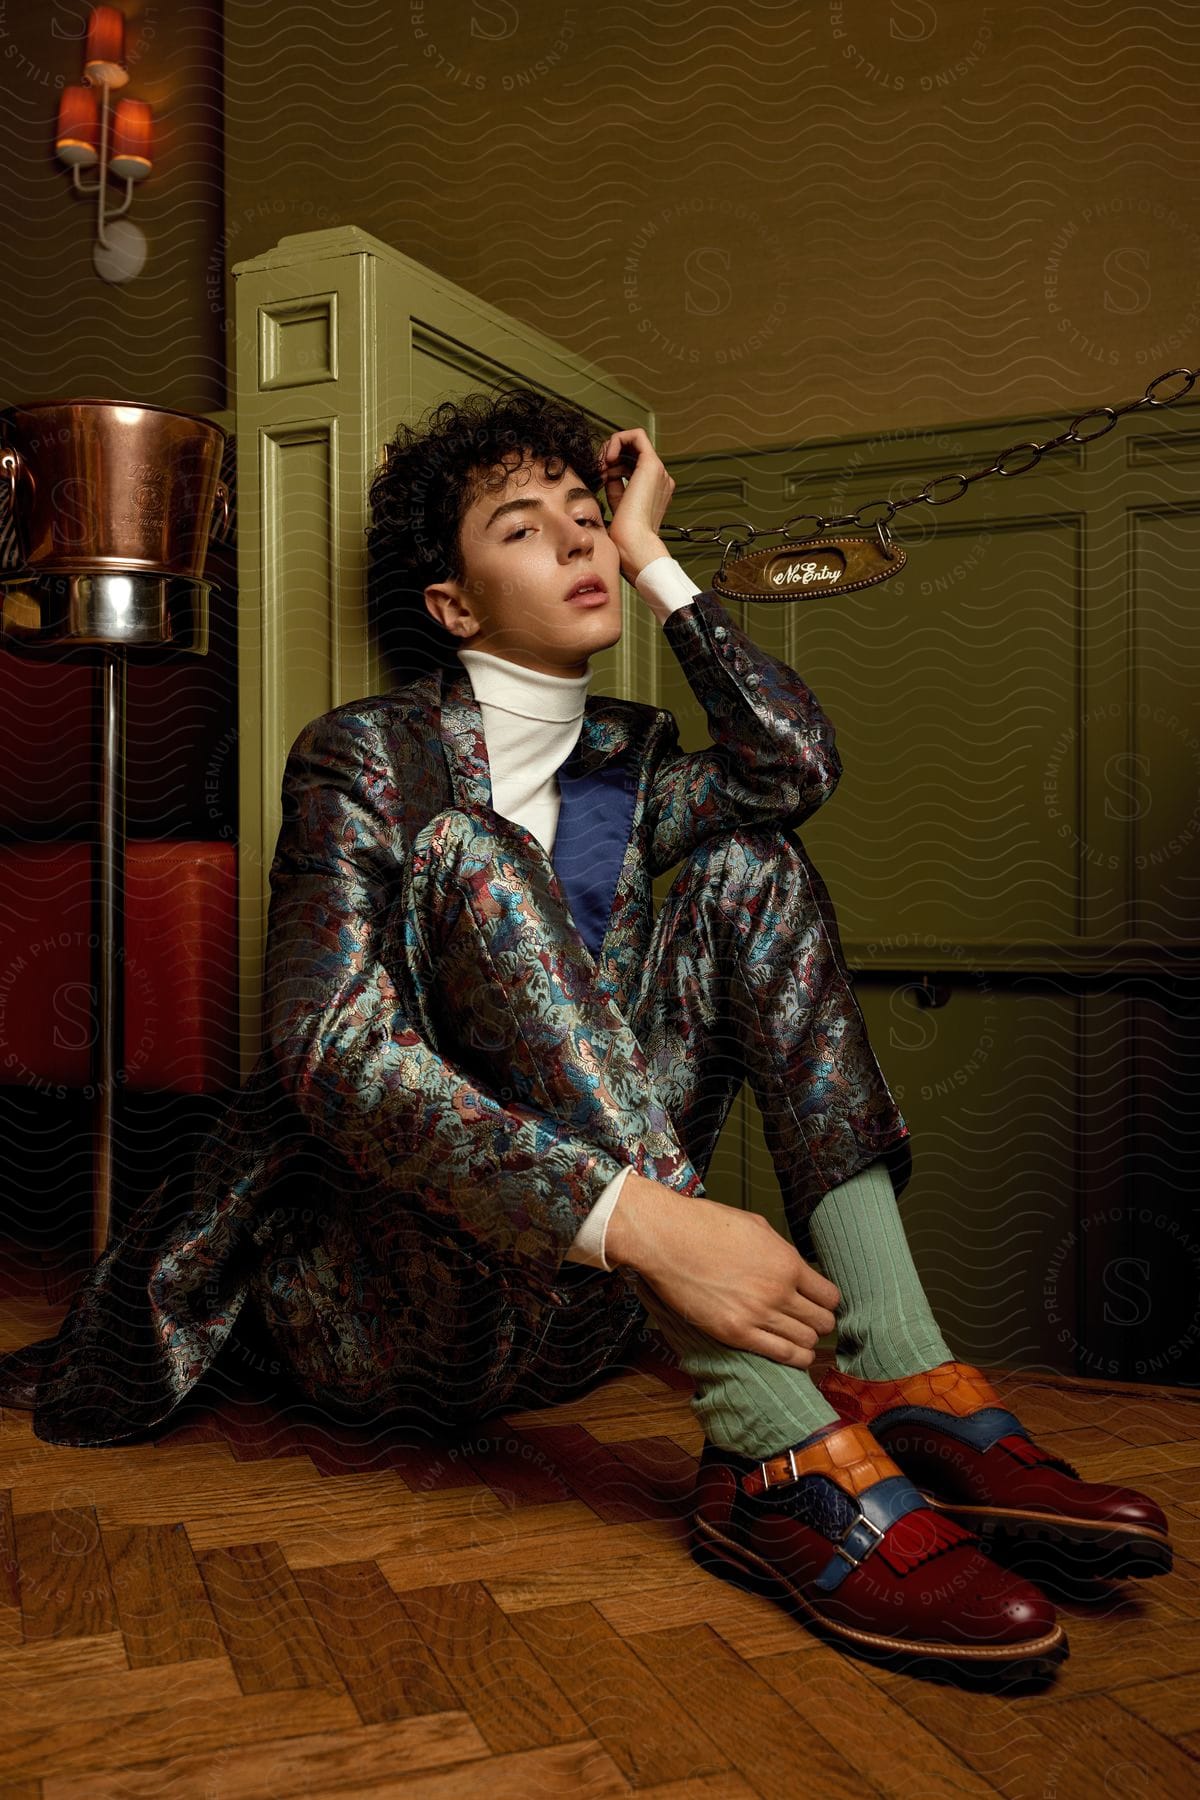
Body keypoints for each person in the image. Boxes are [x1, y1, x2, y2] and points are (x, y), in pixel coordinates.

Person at [0, 388, 1171, 1680]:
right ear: (453, 605)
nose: (575, 545)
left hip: (573, 1326)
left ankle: (900, 1368)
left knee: (753, 866)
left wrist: (660, 555)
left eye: (586, 520)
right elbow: (326, 1054)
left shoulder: (631, 763)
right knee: (472, 858)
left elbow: (793, 766)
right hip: (390, 1312)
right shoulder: (364, 759)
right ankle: (771, 1435)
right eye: (523, 527)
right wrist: (652, 1221)